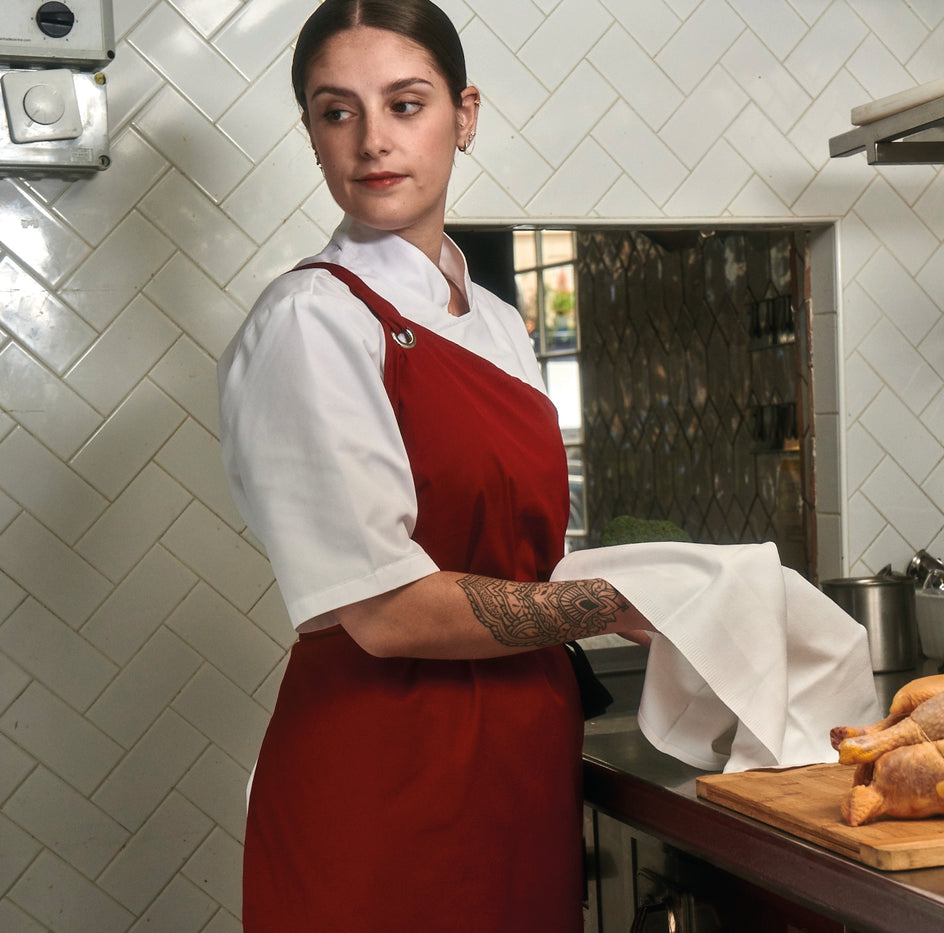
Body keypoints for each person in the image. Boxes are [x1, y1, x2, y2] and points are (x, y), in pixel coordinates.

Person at [216, 2, 653, 929]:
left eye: (405, 104)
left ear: (465, 115)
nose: (372, 141)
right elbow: (383, 609)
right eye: (338, 112)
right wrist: (612, 603)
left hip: (519, 763)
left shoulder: (495, 320)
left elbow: (519, 554)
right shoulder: (310, 320)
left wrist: (683, 587)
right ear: (312, 134)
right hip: (384, 773)